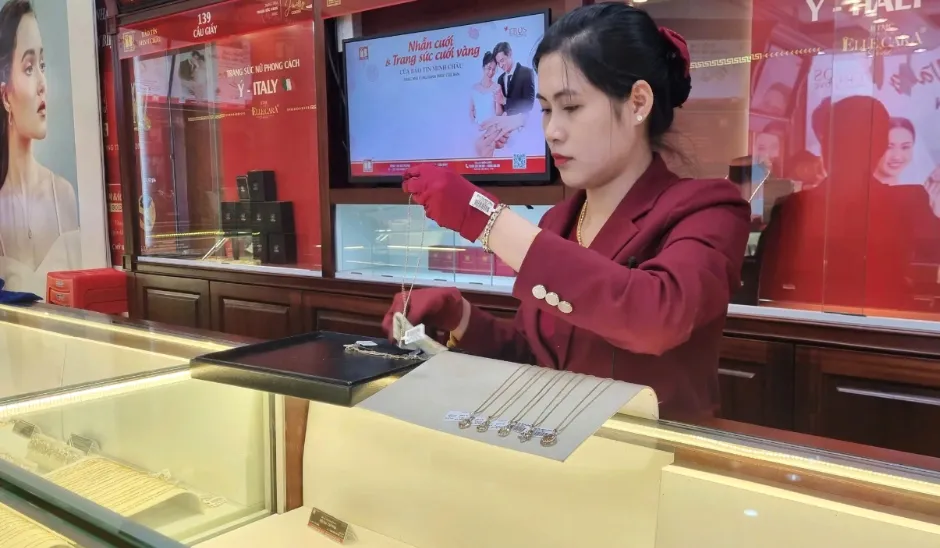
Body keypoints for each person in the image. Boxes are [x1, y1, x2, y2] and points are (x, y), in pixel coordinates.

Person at [383, 3, 751, 419]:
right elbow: (535, 359)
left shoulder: (709, 210)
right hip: (556, 447)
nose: (552, 131)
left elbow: (654, 318)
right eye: (545, 109)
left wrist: (485, 219)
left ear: (637, 103)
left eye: (571, 107)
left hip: (651, 453)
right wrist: (461, 316)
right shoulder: (558, 223)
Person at [0, 0, 79, 296]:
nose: (42, 83)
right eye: (29, 67)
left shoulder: (64, 196)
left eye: (42, 66)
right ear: (5, 95)